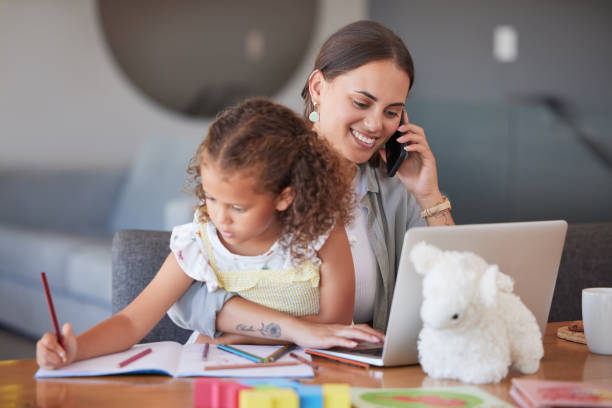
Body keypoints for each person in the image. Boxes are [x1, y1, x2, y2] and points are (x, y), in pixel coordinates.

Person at [36, 98, 384, 369]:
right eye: (211, 198)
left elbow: (330, 328)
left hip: (307, 377)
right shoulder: (198, 243)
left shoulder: (322, 234)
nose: (220, 218)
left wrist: (227, 334)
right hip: (214, 375)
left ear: (284, 196)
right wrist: (76, 349)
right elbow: (130, 322)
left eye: (238, 207)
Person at [168, 19, 455, 341]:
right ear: (318, 88)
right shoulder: (268, 168)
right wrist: (291, 331)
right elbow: (189, 298)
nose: (375, 125)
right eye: (361, 103)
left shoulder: (396, 188)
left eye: (391, 112)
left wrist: (428, 195)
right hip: (247, 362)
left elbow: (457, 293)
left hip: (349, 366)